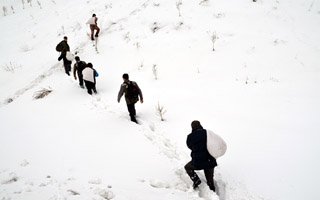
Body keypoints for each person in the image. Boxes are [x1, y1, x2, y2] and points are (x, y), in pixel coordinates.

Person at [185, 120, 217, 192]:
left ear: (192, 127)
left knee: (187, 167)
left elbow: (190, 146)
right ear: (200, 125)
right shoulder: (207, 133)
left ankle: (196, 180)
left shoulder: (190, 137)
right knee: (210, 182)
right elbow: (215, 143)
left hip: (198, 162)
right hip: (210, 161)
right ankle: (213, 191)